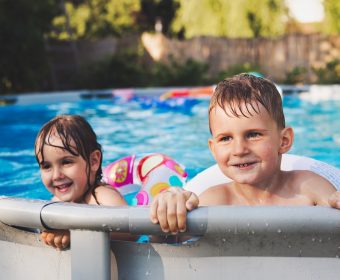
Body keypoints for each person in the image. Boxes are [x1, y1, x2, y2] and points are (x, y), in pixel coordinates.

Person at [150, 73, 340, 234]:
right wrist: (170, 206)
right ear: (213, 148)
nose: (239, 150)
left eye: (253, 135)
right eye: (225, 138)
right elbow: (168, 250)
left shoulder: (309, 187)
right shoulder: (214, 202)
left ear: (284, 141)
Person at [35, 115, 128, 250]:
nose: (56, 176)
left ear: (93, 161)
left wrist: (77, 233)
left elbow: (129, 231)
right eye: (46, 166)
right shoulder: (56, 200)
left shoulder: (102, 196)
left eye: (66, 162)